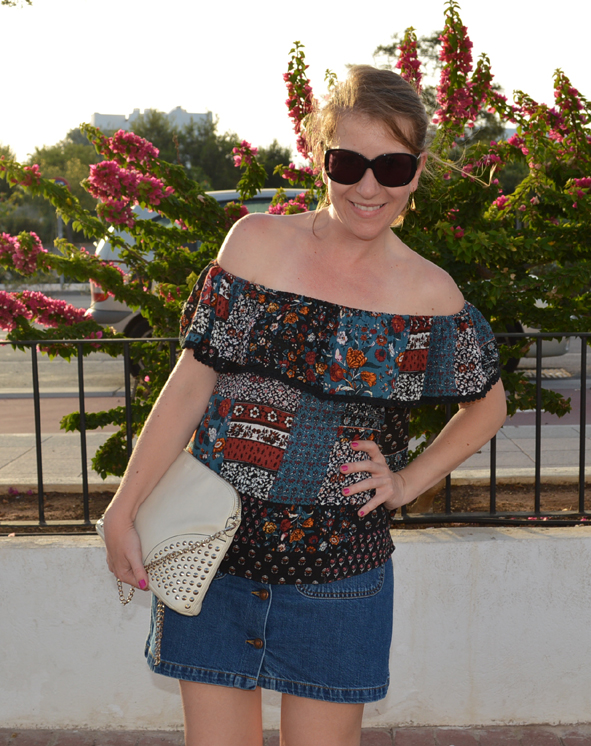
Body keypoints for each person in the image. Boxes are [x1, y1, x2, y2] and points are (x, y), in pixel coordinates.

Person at [101, 65, 507, 746]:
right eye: (348, 162)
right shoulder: (254, 244)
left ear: (417, 171)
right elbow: (188, 386)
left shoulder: (430, 295)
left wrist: (406, 482)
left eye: (391, 165)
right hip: (211, 557)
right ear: (319, 156)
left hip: (339, 577)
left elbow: (488, 406)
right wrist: (122, 508)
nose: (368, 187)